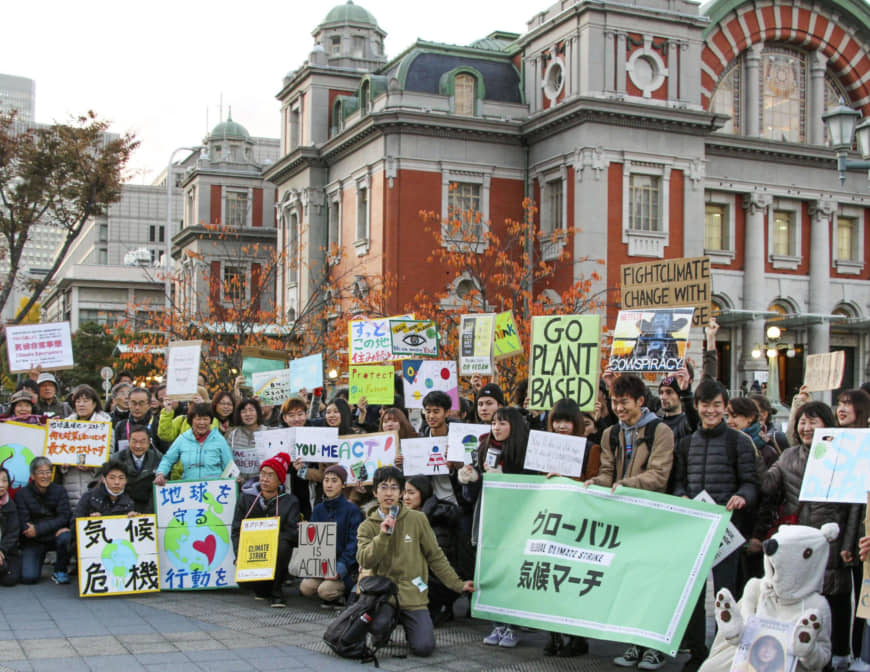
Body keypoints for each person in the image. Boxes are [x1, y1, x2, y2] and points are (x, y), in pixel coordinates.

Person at [756, 401, 860, 670]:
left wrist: (848, 544)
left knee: (835, 598)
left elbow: (853, 509)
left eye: (813, 421)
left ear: (827, 424)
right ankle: (802, 653)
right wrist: (752, 453)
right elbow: (767, 485)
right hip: (798, 544)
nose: (806, 427)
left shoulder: (843, 456)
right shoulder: (789, 455)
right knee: (803, 601)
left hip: (832, 540)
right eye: (803, 421)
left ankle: (839, 652)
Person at [672, 379, 759, 672]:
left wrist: (741, 497)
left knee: (726, 595)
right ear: (697, 407)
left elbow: (751, 482)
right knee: (692, 594)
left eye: (717, 405)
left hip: (727, 529)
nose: (711, 411)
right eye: (705, 405)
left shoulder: (739, 442)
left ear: (725, 407)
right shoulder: (685, 443)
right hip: (695, 527)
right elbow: (678, 481)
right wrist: (681, 495)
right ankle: (697, 652)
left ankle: (728, 654)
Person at [589, 373, 674, 670]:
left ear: (640, 401)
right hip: (622, 517)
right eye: (614, 402)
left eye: (624, 402)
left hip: (651, 516)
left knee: (652, 584)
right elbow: (606, 472)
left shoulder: (660, 431)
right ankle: (634, 643)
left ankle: (654, 646)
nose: (618, 408)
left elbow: (659, 475)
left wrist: (626, 486)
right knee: (629, 583)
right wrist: (591, 484)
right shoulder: (610, 433)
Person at [356, 466, 474, 658]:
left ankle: (409, 624)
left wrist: (457, 584)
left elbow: (435, 556)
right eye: (383, 487)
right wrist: (383, 536)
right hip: (383, 594)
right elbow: (364, 559)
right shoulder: (367, 525)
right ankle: (384, 627)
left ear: (401, 493)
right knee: (378, 627)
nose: (389, 493)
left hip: (413, 594)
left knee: (424, 647)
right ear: (375, 492)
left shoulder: (417, 519)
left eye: (394, 488)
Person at [231, 452, 299, 608]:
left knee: (283, 543)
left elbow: (293, 533)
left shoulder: (290, 501)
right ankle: (261, 588)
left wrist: (270, 536)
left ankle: (277, 590)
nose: (264, 479)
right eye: (262, 474)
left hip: (276, 553)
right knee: (250, 586)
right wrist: (238, 555)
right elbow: (236, 529)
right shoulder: (246, 498)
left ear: (280, 479)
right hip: (254, 553)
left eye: (270, 475)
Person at [402, 475, 463, 627]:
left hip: (436, 582)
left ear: (423, 493)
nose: (405, 497)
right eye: (404, 493)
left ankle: (437, 607)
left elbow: (440, 565)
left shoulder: (437, 521)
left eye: (411, 493)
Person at [299, 465, 363, 604]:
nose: (329, 485)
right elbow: (314, 543)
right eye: (326, 480)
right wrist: (305, 533)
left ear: (343, 485)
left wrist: (340, 568)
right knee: (305, 587)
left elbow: (354, 544)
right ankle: (329, 590)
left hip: (344, 566)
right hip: (322, 564)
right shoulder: (318, 509)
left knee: (325, 590)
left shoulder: (352, 510)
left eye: (334, 481)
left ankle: (342, 592)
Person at [16, 457, 73, 585]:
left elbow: (64, 517)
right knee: (28, 578)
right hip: (33, 541)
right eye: (41, 472)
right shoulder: (22, 494)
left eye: (48, 472)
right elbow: (25, 526)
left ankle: (60, 570)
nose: (45, 476)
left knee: (66, 536)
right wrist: (50, 526)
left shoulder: (59, 491)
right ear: (32, 475)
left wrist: (38, 529)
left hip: (53, 536)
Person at [153, 403, 233, 484]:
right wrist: (161, 474)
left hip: (213, 489)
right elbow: (168, 459)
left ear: (211, 421)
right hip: (189, 489)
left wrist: (234, 478)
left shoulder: (219, 440)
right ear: (191, 421)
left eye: (205, 419)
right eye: (198, 419)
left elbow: (229, 465)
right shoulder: (183, 439)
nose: (202, 423)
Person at [61, 384, 112, 508]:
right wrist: (63, 464)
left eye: (86, 401)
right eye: (78, 401)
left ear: (94, 403)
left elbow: (110, 455)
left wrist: (93, 466)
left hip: (95, 480)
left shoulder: (104, 425)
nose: (81, 404)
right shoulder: (65, 425)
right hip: (70, 480)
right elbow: (58, 452)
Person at [115, 424, 161, 513]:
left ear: (149, 442)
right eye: (134, 441)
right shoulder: (117, 459)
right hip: (123, 507)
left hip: (149, 506)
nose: (138, 446)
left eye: (142, 442)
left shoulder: (158, 459)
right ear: (128, 441)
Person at [226, 398, 265, 482]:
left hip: (264, 485)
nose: (248, 414)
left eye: (251, 410)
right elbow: (227, 460)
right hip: (240, 485)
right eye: (243, 411)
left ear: (258, 412)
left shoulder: (268, 432)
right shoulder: (233, 435)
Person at [114, 386, 156, 453]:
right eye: (133, 403)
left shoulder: (157, 424)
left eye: (141, 404)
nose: (137, 407)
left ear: (149, 405)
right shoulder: (121, 426)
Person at [0, 467, 21, 586]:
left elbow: (13, 532)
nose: (1, 485)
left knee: (10, 579)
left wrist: (2, 550)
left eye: (4, 481)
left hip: (6, 551)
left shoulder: (10, 504)